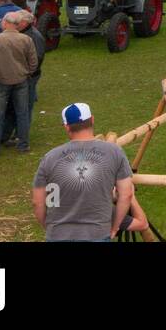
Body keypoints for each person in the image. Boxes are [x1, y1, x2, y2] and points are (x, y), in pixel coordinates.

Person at [32, 103, 134, 241]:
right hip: (97, 234)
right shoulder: (114, 152)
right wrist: (115, 226)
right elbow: (126, 194)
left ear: (67, 126)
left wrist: (51, 228)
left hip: (58, 234)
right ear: (92, 119)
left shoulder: (49, 157)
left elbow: (37, 202)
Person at [0, 10, 38, 155]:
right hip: (21, 80)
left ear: (6, 23)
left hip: (1, 81)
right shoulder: (26, 40)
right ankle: (23, 145)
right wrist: (27, 73)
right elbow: (33, 62)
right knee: (22, 113)